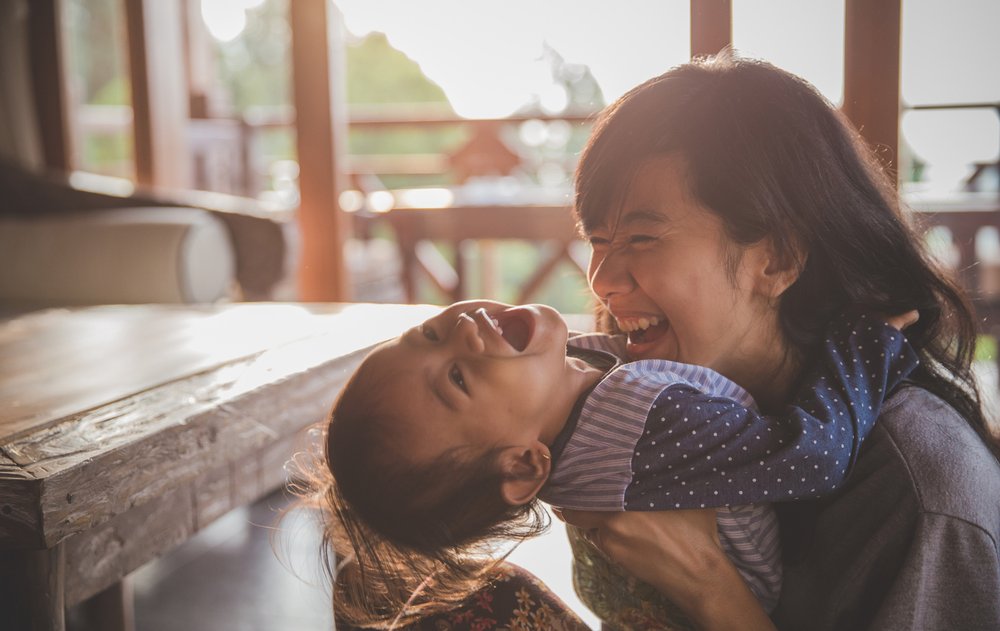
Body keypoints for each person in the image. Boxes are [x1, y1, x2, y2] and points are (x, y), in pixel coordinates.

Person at [555, 52, 1000, 630]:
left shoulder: (916, 487)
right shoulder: (661, 411)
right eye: (599, 238)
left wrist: (706, 583)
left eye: (642, 237)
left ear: (780, 258)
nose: (602, 280)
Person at [322, 297, 917, 629]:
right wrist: (862, 352)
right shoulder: (644, 425)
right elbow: (812, 457)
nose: (465, 327)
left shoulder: (564, 397)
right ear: (527, 467)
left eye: (429, 332)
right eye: (456, 376)